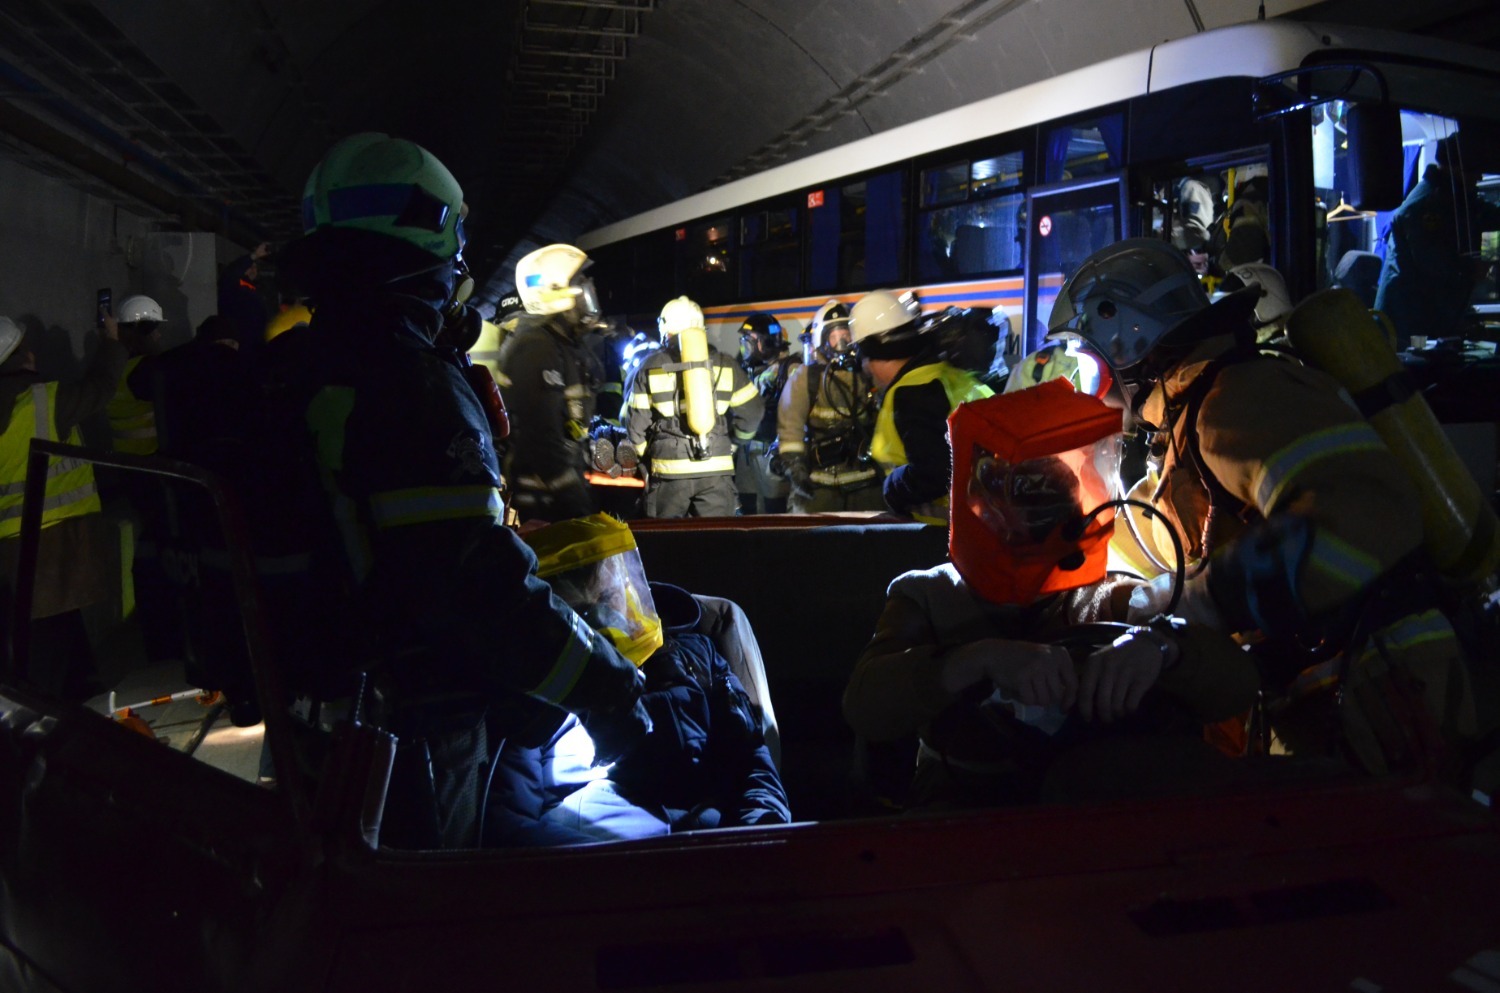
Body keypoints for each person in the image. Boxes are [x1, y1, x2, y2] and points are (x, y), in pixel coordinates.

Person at [269, 133, 647, 849]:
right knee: (427, 894)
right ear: (431, 236)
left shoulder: (296, 365)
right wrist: (608, 688)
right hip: (412, 723)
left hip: (313, 699)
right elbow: (476, 586)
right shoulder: (411, 387)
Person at [1048, 237, 1476, 777]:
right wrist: (1057, 575)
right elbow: (1152, 545)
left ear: (1131, 344)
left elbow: (1360, 517)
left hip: (1393, 703)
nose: (1090, 389)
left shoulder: (1238, 401)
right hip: (1331, 713)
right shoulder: (1188, 426)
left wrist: (1193, 612)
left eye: (1090, 366)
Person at [843, 384, 1259, 808]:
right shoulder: (930, 593)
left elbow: (1237, 685)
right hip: (962, 807)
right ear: (983, 514)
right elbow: (865, 705)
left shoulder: (1099, 592)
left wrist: (1161, 646)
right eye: (1030, 519)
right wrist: (979, 659)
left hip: (1084, 810)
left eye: (1058, 517)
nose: (1045, 539)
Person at [486, 514, 789, 845]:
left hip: (712, 845)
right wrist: (625, 867)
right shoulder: (536, 687)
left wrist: (758, 842)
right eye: (581, 608)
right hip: (597, 858)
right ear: (553, 616)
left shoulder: (694, 654)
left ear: (627, 587)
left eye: (607, 597)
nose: (604, 615)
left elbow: (753, 766)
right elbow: (511, 823)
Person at [0, 310, 125, 702]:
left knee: (54, 633)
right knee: (49, 645)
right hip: (55, 543)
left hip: (7, 551)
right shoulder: (45, 400)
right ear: (21, 356)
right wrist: (111, 342)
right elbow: (102, 386)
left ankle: (84, 692)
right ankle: (56, 718)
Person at [849, 290, 992, 524]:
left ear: (876, 355)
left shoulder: (911, 393)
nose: (866, 369)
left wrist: (891, 488)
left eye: (864, 359)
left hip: (939, 532)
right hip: (981, 524)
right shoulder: (947, 376)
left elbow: (933, 473)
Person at [493, 243, 607, 523]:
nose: (588, 299)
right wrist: (575, 501)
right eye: (581, 290)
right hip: (543, 497)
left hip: (556, 489)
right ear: (557, 295)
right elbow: (541, 438)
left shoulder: (558, 344)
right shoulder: (535, 346)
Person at [625, 296, 761, 518]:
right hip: (716, 470)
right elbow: (753, 412)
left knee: (666, 537)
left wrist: (643, 456)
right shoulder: (726, 364)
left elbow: (635, 428)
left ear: (666, 329)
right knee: (716, 536)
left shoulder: (650, 366)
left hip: (669, 473)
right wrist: (734, 443)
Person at [775, 300, 883, 513]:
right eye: (834, 337)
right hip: (819, 486)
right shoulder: (805, 378)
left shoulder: (867, 374)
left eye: (846, 335)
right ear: (821, 340)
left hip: (866, 484)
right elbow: (790, 429)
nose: (841, 342)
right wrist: (795, 467)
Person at [733, 313, 799, 515]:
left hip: (771, 453)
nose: (745, 346)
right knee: (749, 508)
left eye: (749, 340)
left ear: (766, 342)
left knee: (774, 510)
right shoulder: (746, 369)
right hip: (748, 451)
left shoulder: (790, 369)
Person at [104, 294, 165, 457]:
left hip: (127, 457)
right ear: (142, 332)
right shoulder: (144, 369)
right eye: (154, 329)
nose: (159, 335)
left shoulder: (115, 364)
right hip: (150, 457)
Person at [217, 242, 271, 366]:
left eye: (255, 267)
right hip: (240, 345)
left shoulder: (258, 289)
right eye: (249, 266)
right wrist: (254, 255)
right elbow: (230, 273)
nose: (253, 270)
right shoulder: (232, 285)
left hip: (256, 346)